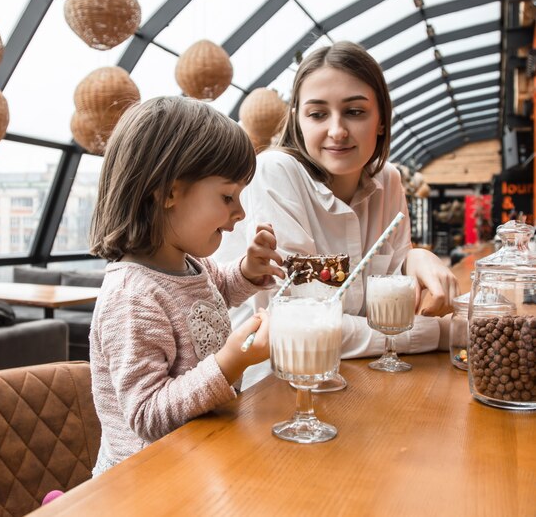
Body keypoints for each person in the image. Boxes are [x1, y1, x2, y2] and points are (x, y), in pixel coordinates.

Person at [216, 41, 460, 388]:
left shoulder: (388, 181)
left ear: (380, 121)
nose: (337, 130)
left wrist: (414, 259)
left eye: (355, 112)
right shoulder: (274, 173)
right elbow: (303, 322)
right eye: (317, 114)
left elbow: (398, 302)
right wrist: (442, 333)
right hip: (267, 392)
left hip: (357, 380)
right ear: (298, 121)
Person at [88, 96, 285, 475]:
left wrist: (247, 270)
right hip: (147, 482)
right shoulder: (132, 297)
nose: (240, 212)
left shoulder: (188, 264)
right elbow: (147, 416)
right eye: (228, 196)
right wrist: (231, 360)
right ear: (168, 192)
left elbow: (215, 291)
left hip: (198, 460)